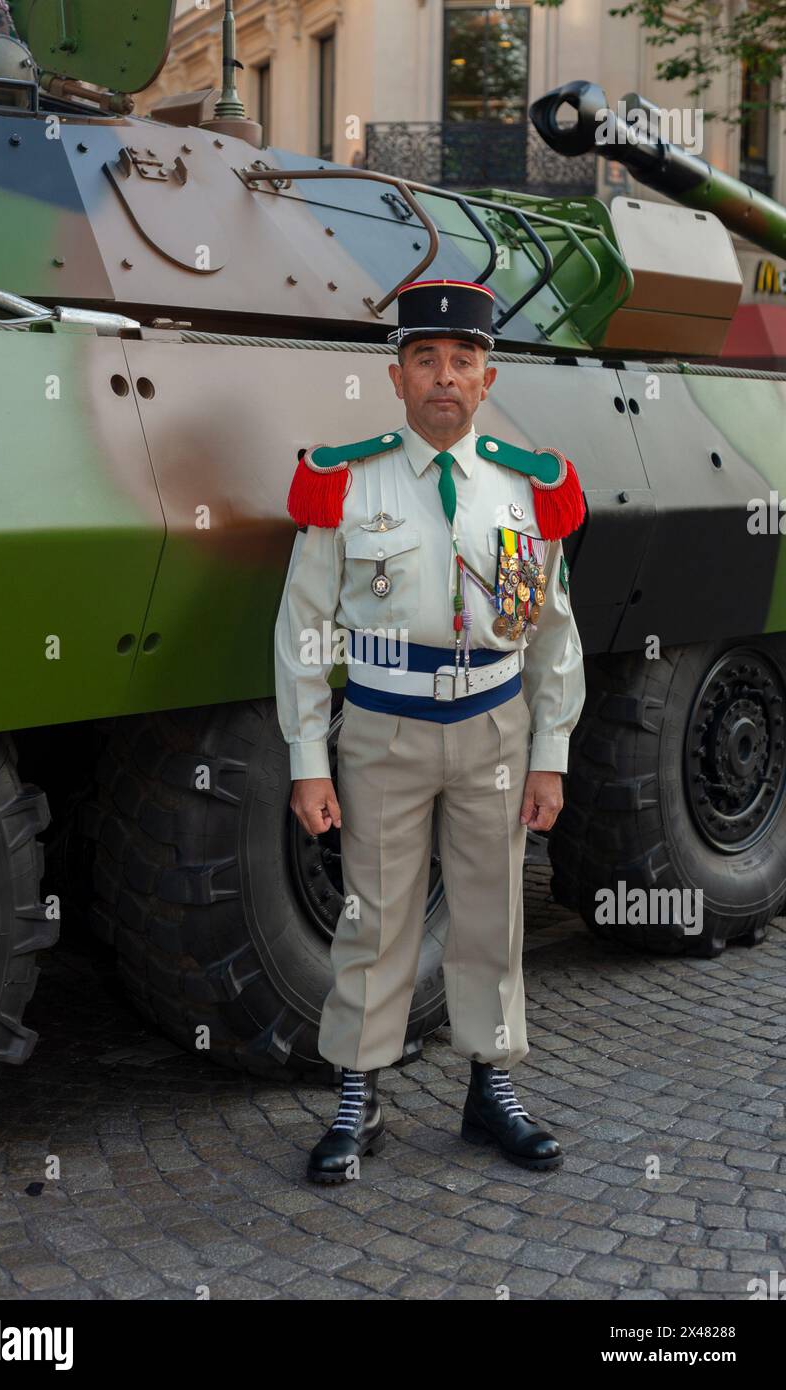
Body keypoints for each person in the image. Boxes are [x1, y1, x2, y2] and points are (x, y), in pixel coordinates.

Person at [273, 278, 586, 1183]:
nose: (444, 377)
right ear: (396, 377)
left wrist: (550, 755)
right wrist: (307, 759)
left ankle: (492, 1088)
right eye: (425, 360)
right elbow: (303, 631)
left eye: (463, 361)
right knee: (374, 917)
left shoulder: (530, 490)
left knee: (494, 913)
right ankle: (357, 1094)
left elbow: (553, 630)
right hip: (382, 728)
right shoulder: (346, 481)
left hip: (495, 723)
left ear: (486, 379)